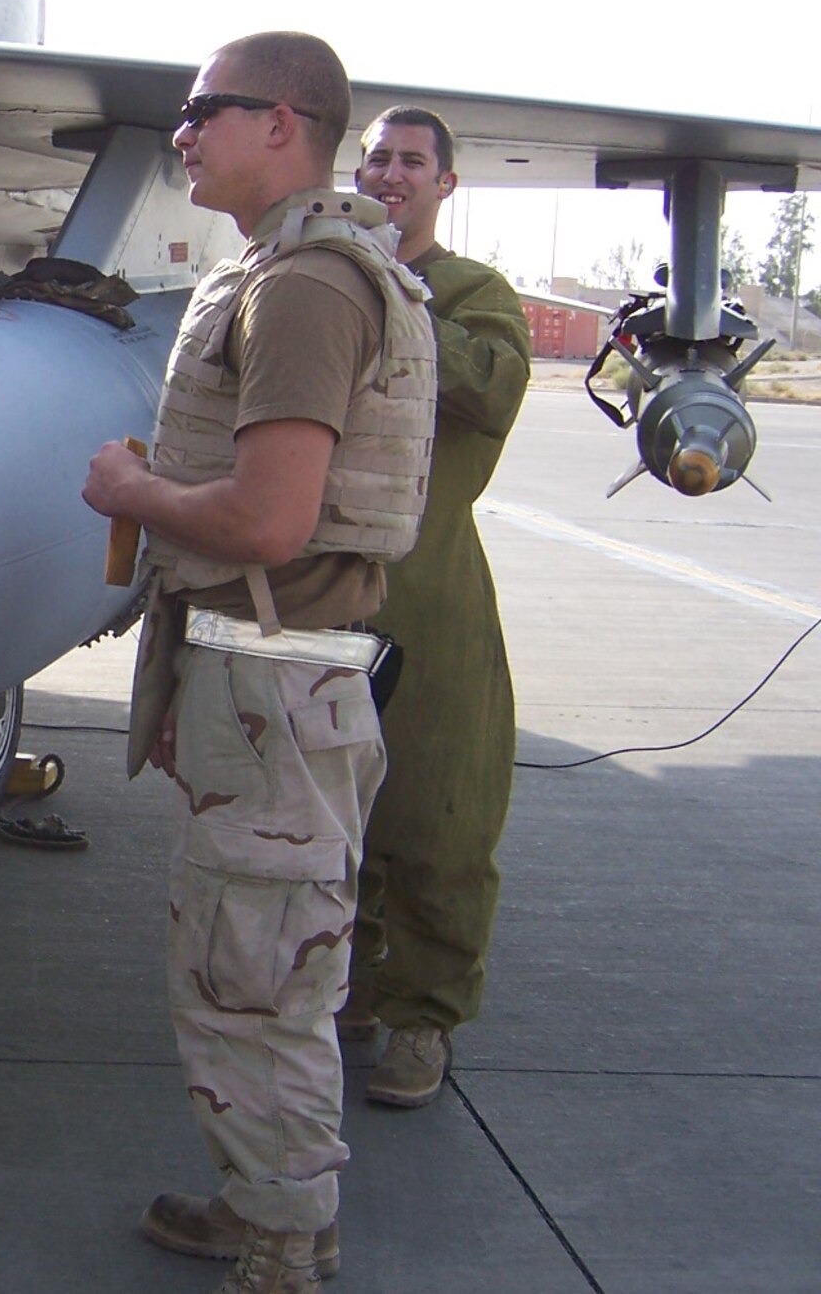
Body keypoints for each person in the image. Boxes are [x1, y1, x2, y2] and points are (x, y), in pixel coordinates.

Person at [81, 33, 437, 1292]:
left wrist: (130, 486)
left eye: (202, 110)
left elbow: (268, 521)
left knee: (259, 976)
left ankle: (284, 1243)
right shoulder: (276, 271)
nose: (181, 132)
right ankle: (261, 1200)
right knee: (244, 962)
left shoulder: (304, 288)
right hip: (260, 677)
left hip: (274, 687)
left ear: (281, 122)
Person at [344, 107, 531, 1107]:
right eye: (375, 156)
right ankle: (354, 983)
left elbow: (490, 388)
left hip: (427, 588)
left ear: (443, 185)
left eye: (410, 161)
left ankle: (423, 1020)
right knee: (334, 812)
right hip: (325, 585)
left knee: (436, 813)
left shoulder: (468, 293)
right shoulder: (325, 275)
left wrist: (393, 289)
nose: (389, 173)